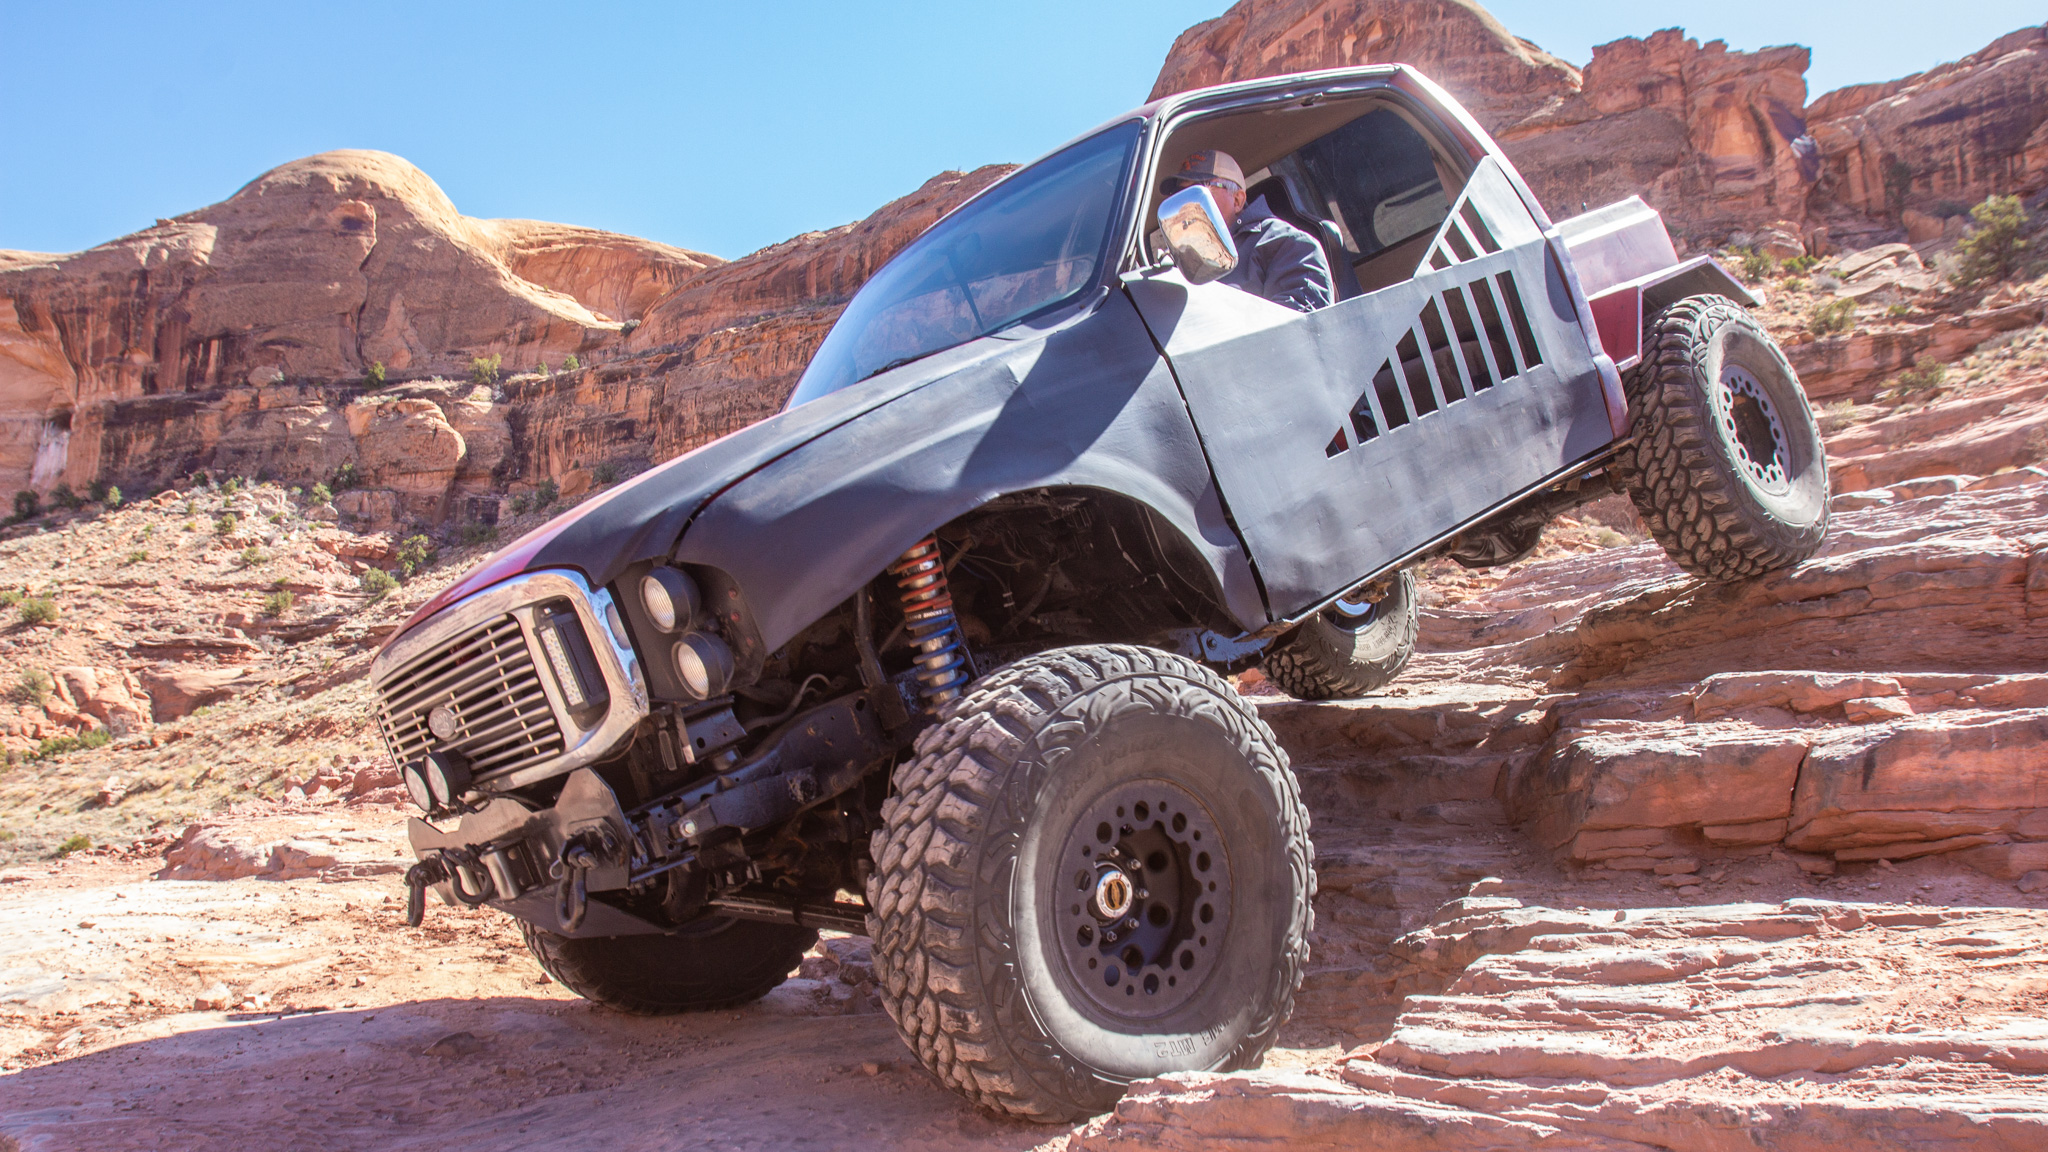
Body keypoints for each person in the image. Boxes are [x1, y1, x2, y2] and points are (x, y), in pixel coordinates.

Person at [1165, 149, 1333, 312]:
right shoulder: (1180, 259)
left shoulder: (1290, 244)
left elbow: (1297, 327)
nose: (1186, 203)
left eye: (1198, 189)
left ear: (1237, 200)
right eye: (1180, 194)